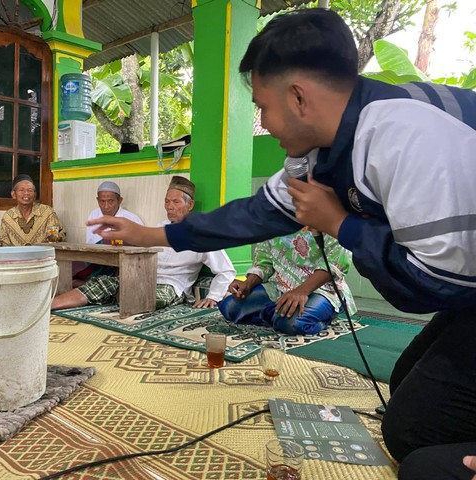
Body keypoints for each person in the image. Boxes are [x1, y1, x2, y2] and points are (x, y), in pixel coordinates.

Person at [86, 9, 476, 479]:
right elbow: (257, 214)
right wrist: (154, 235)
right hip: (463, 296)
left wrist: (341, 224)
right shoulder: (319, 151)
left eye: (262, 107)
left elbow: (434, 285)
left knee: (413, 439)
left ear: (298, 97)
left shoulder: (405, 137)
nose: (265, 123)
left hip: (458, 292)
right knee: (404, 386)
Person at [53, 176, 236, 311]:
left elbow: (227, 270)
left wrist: (213, 296)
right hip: (146, 278)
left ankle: (115, 298)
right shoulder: (160, 227)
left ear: (190, 205)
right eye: (166, 201)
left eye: (175, 202)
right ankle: (48, 307)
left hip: (172, 287)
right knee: (103, 283)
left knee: (135, 296)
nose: (169, 206)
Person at [219, 229, 356, 336]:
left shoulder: (326, 212)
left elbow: (335, 265)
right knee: (230, 308)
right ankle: (276, 315)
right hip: (278, 285)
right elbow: (263, 262)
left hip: (320, 289)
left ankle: (327, 313)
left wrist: (301, 291)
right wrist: (248, 284)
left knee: (293, 324)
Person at [0, 174, 66, 246]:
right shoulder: (8, 216)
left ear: (35, 195)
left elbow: (53, 239)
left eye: (30, 190)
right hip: (16, 257)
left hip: (42, 256)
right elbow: (4, 244)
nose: (26, 193)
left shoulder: (47, 212)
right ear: (13, 194)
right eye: (22, 190)